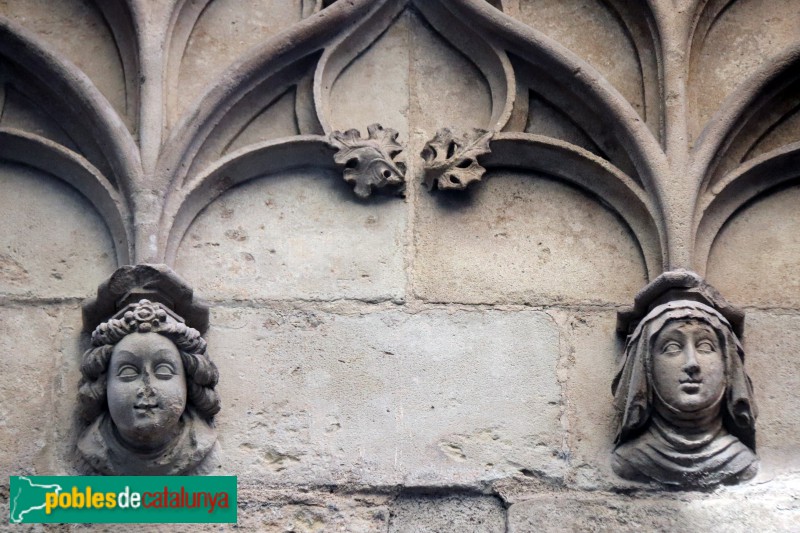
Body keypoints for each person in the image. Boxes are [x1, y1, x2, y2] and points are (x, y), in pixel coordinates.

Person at [611, 300, 758, 487]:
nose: (692, 364)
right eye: (672, 347)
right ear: (646, 365)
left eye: (705, 346)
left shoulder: (742, 462)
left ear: (728, 365)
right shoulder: (629, 461)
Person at [77, 299, 221, 475]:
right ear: (103, 385)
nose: (147, 387)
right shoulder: (92, 448)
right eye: (128, 372)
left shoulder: (200, 444)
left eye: (164, 370)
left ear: (188, 384)